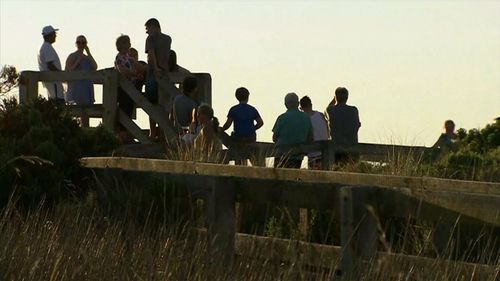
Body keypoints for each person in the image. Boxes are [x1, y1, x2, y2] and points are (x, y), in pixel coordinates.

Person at [144, 18, 182, 139]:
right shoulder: (167, 39)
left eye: (147, 29)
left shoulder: (151, 38)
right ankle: (162, 132)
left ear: (154, 26)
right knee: (164, 106)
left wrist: (155, 67)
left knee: (152, 104)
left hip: (153, 74)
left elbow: (151, 54)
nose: (147, 32)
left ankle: (153, 132)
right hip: (165, 75)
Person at [222, 87, 264, 164]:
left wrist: (222, 130)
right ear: (248, 97)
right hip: (250, 138)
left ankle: (239, 166)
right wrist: (252, 128)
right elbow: (260, 123)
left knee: (237, 154)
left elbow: (228, 124)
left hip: (237, 139)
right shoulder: (252, 109)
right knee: (254, 156)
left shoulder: (233, 109)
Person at [272, 93, 313, 168]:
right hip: (298, 155)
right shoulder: (306, 118)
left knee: (278, 178)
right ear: (298, 103)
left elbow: (274, 138)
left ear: (285, 104)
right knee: (294, 177)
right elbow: (310, 138)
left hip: (281, 155)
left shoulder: (281, 118)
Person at [65, 35, 98, 127]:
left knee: (85, 113)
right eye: (79, 42)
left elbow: (95, 67)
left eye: (83, 43)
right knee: (74, 111)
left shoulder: (87, 58)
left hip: (86, 88)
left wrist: (88, 52)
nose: (81, 44)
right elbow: (67, 72)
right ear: (76, 44)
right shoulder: (72, 56)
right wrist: (77, 62)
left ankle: (86, 131)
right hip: (75, 88)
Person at [326, 87, 361, 163]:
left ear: (336, 97)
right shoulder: (353, 110)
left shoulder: (331, 110)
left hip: (336, 149)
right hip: (352, 147)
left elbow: (327, 109)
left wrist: (334, 100)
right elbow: (357, 125)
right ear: (347, 97)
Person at [114, 35, 136, 143]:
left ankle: (128, 135)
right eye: (127, 43)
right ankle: (122, 136)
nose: (129, 45)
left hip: (130, 88)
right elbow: (122, 71)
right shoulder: (119, 58)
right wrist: (132, 73)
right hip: (123, 89)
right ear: (121, 45)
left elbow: (137, 67)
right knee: (124, 109)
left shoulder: (129, 58)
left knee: (129, 110)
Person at [299, 95, 329, 169]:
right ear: (311, 105)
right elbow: (328, 133)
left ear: (301, 108)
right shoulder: (321, 115)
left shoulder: (304, 119)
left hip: (313, 154)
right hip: (326, 153)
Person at [38, 25, 64, 105]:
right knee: (58, 104)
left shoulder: (45, 47)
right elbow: (50, 65)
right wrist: (61, 75)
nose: (55, 35)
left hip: (52, 84)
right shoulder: (47, 48)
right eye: (54, 34)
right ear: (49, 35)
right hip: (54, 83)